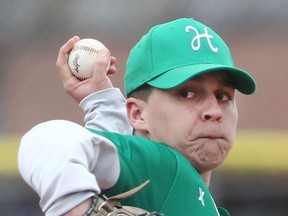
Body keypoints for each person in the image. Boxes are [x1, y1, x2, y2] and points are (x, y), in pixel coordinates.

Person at [18, 18, 256, 216]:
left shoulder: (198, 200)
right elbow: (48, 141)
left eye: (223, 96)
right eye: (187, 93)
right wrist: (81, 209)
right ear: (137, 113)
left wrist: (104, 107)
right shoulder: (167, 167)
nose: (213, 111)